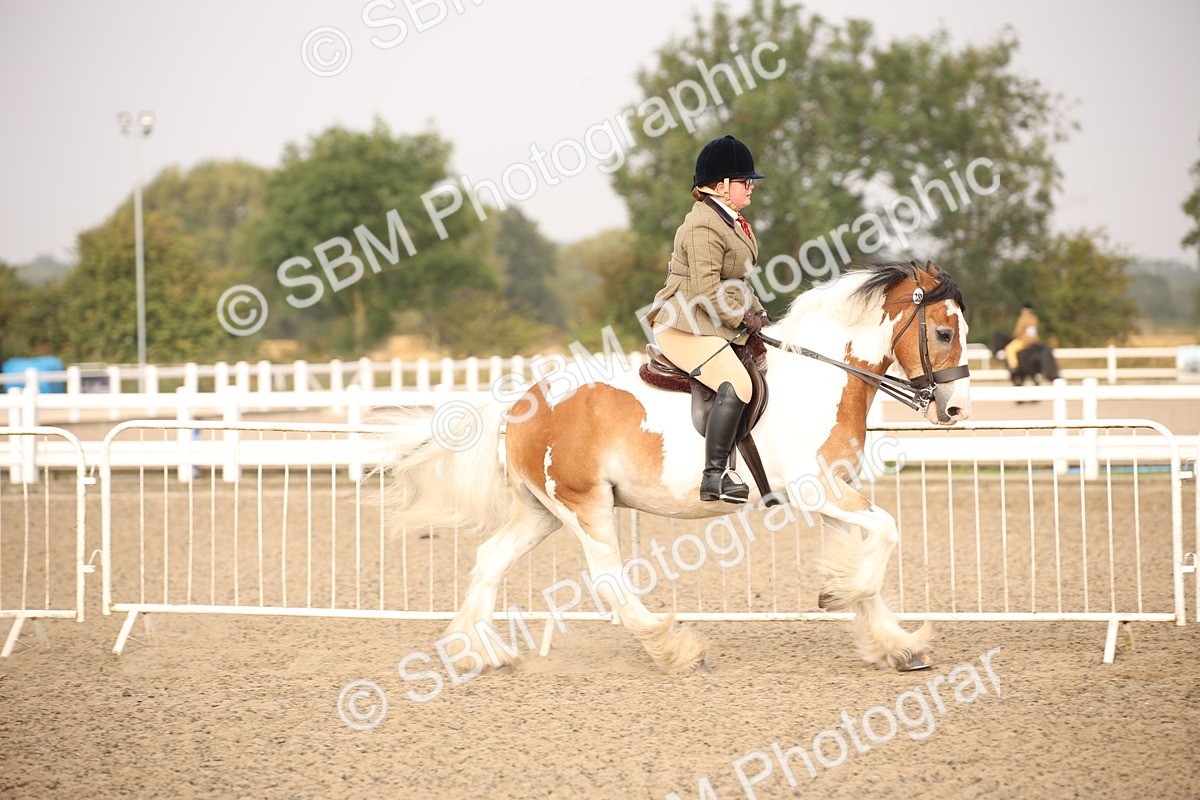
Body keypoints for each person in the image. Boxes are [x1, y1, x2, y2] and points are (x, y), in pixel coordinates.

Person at [643, 134, 769, 504]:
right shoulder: (702, 227)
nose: (750, 187)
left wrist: (759, 312)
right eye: (745, 181)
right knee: (737, 382)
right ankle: (715, 475)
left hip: (709, 320)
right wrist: (741, 317)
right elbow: (704, 288)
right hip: (683, 322)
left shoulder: (731, 222)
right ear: (721, 186)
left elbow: (738, 279)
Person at [1005, 302, 1040, 371]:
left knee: (1009, 348)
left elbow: (1018, 330)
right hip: (1034, 341)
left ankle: (1013, 366)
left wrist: (1014, 336)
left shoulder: (1022, 319)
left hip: (1024, 341)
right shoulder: (1034, 319)